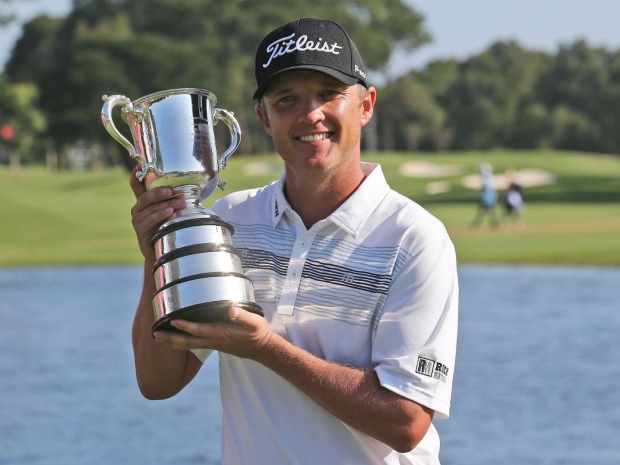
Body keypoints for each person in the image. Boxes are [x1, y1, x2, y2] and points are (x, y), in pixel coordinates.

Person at [129, 17, 458, 464]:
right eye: (287, 99)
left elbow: (405, 421)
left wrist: (266, 348)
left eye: (329, 94)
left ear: (365, 105)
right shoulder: (230, 222)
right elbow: (159, 382)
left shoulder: (414, 238)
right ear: (264, 117)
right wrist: (158, 256)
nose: (310, 114)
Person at [471, 162, 499, 228]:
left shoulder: (487, 178)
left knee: (484, 211)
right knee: (488, 211)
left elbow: (486, 188)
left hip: (488, 198)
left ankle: (477, 224)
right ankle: (494, 223)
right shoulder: (489, 177)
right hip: (489, 197)